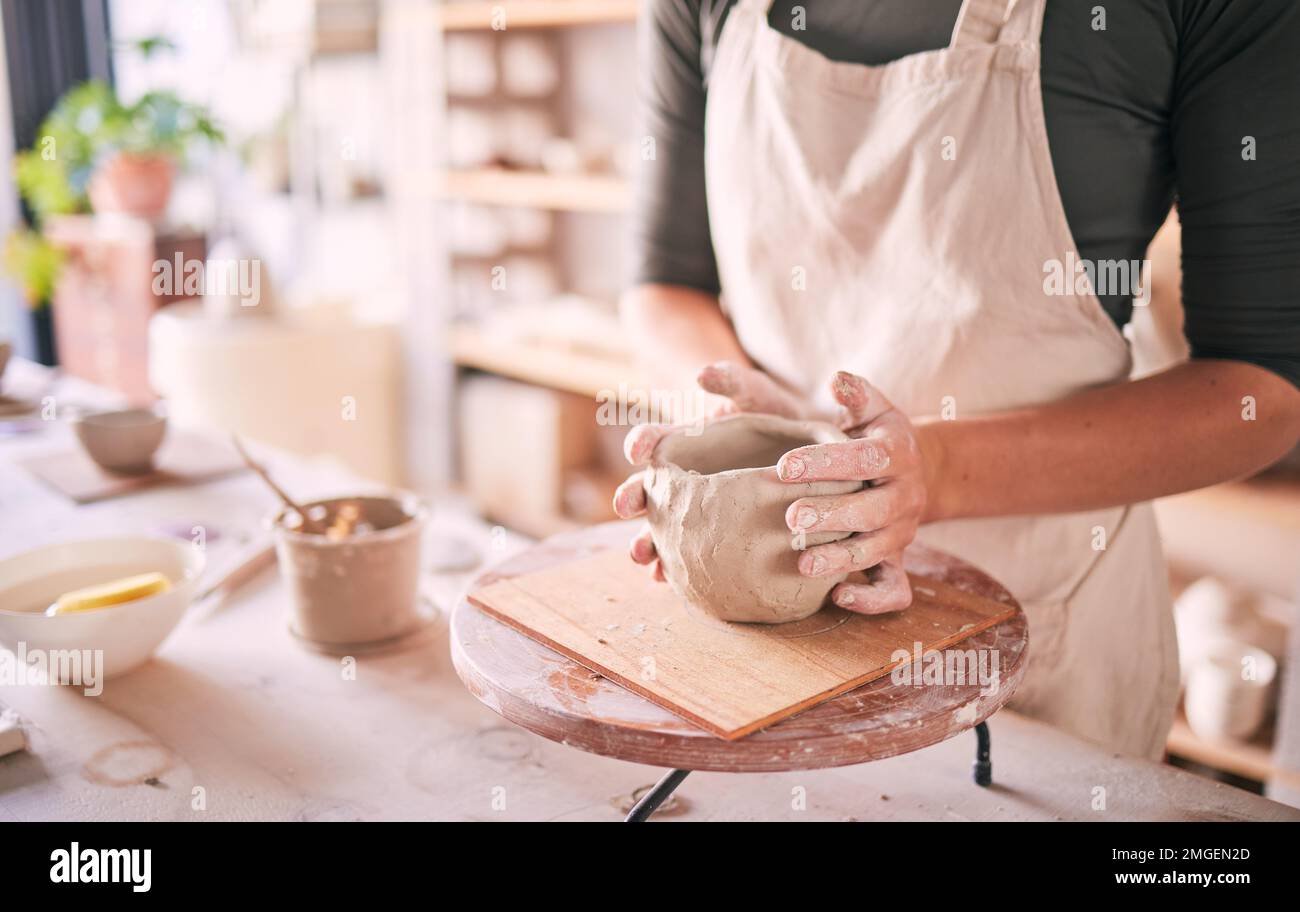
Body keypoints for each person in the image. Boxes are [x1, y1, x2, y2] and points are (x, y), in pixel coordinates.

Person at [611, 0, 1300, 759]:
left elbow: (1262, 393)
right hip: (776, 637)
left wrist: (929, 475)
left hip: (1043, 628)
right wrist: (734, 433)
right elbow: (664, 285)